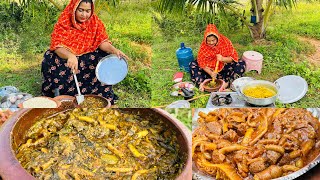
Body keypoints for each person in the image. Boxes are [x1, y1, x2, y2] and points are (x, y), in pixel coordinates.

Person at [41, 0, 128, 105]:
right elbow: (57, 46)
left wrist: (114, 50)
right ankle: (60, 95)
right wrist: (70, 56)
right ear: (74, 8)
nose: (84, 15)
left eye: (88, 11)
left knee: (104, 57)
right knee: (50, 57)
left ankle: (98, 93)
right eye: (80, 10)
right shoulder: (64, 21)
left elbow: (101, 42)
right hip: (67, 55)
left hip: (87, 56)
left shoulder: (95, 22)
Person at [189, 24, 246, 90]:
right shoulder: (204, 46)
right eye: (208, 41)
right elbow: (201, 62)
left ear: (217, 38)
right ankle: (202, 83)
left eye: (213, 40)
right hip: (209, 70)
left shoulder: (225, 42)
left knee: (241, 63)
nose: (211, 43)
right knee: (193, 64)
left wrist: (222, 59)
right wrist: (211, 73)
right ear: (205, 39)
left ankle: (227, 83)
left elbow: (232, 58)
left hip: (224, 67)